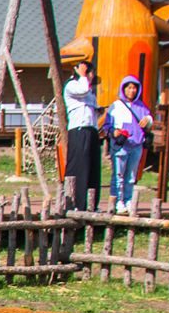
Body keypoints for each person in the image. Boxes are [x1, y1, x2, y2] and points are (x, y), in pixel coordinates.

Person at [105, 76, 155, 213]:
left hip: (137, 145)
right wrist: (114, 132)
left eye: (134, 88)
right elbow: (107, 125)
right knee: (118, 175)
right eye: (129, 88)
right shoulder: (115, 106)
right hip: (121, 145)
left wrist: (149, 120)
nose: (132, 91)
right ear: (124, 89)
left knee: (131, 176)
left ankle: (128, 200)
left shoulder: (141, 106)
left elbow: (150, 121)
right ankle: (117, 201)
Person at [62, 60, 102, 211]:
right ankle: (77, 203)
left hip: (91, 130)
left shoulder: (90, 91)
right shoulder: (72, 85)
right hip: (79, 130)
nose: (91, 76)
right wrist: (82, 73)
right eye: (89, 72)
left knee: (93, 167)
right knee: (80, 166)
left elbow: (92, 108)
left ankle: (91, 204)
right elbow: (83, 90)